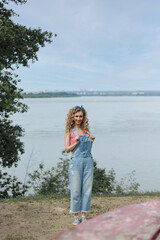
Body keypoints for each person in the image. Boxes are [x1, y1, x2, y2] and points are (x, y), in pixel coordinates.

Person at [65, 105, 95, 225]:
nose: (78, 118)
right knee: (76, 190)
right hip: (76, 162)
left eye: (80, 116)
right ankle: (76, 216)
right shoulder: (69, 131)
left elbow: (88, 150)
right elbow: (67, 149)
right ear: (72, 117)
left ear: (83, 118)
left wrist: (92, 141)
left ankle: (84, 215)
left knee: (87, 190)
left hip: (88, 161)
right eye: (76, 116)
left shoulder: (86, 131)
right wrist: (75, 143)